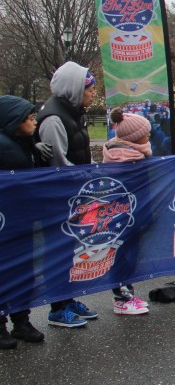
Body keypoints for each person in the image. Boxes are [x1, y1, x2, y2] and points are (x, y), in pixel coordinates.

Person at [36, 62, 99, 328]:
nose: (93, 94)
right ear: (74, 89)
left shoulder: (73, 112)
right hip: (56, 197)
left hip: (73, 195)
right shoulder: (54, 119)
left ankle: (67, 298)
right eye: (89, 89)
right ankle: (57, 308)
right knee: (57, 252)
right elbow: (60, 164)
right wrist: (89, 178)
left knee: (69, 250)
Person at [0, 95, 48, 346]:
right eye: (29, 118)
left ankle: (21, 321)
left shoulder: (23, 142)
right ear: (13, 121)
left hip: (21, 218)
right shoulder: (4, 146)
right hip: (7, 220)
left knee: (24, 270)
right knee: (6, 270)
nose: (34, 122)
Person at [101, 108, 153, 315]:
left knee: (131, 253)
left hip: (135, 212)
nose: (149, 135)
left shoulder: (136, 154)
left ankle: (128, 292)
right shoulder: (123, 159)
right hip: (123, 215)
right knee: (122, 254)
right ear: (133, 137)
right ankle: (121, 298)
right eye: (145, 132)